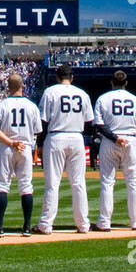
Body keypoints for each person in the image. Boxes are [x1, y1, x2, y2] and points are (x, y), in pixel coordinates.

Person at [35, 64, 94, 235]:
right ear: (72, 77)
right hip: (76, 136)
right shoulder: (82, 93)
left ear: (57, 77)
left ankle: (46, 224)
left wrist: (39, 143)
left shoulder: (50, 91)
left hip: (56, 136)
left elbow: (43, 121)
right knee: (78, 183)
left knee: (52, 184)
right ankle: (83, 224)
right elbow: (89, 121)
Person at [90, 70, 136, 232]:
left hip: (110, 140)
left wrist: (115, 138)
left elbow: (99, 126)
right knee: (133, 183)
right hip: (130, 139)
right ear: (126, 83)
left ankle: (104, 222)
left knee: (107, 182)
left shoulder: (103, 98)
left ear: (112, 82)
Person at [0, 72, 42, 236]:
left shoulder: (2, 105)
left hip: (7, 145)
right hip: (25, 146)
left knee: (2, 186)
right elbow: (38, 130)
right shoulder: (31, 105)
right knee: (26, 186)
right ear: (22, 86)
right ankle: (26, 227)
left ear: (8, 87)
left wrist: (11, 142)